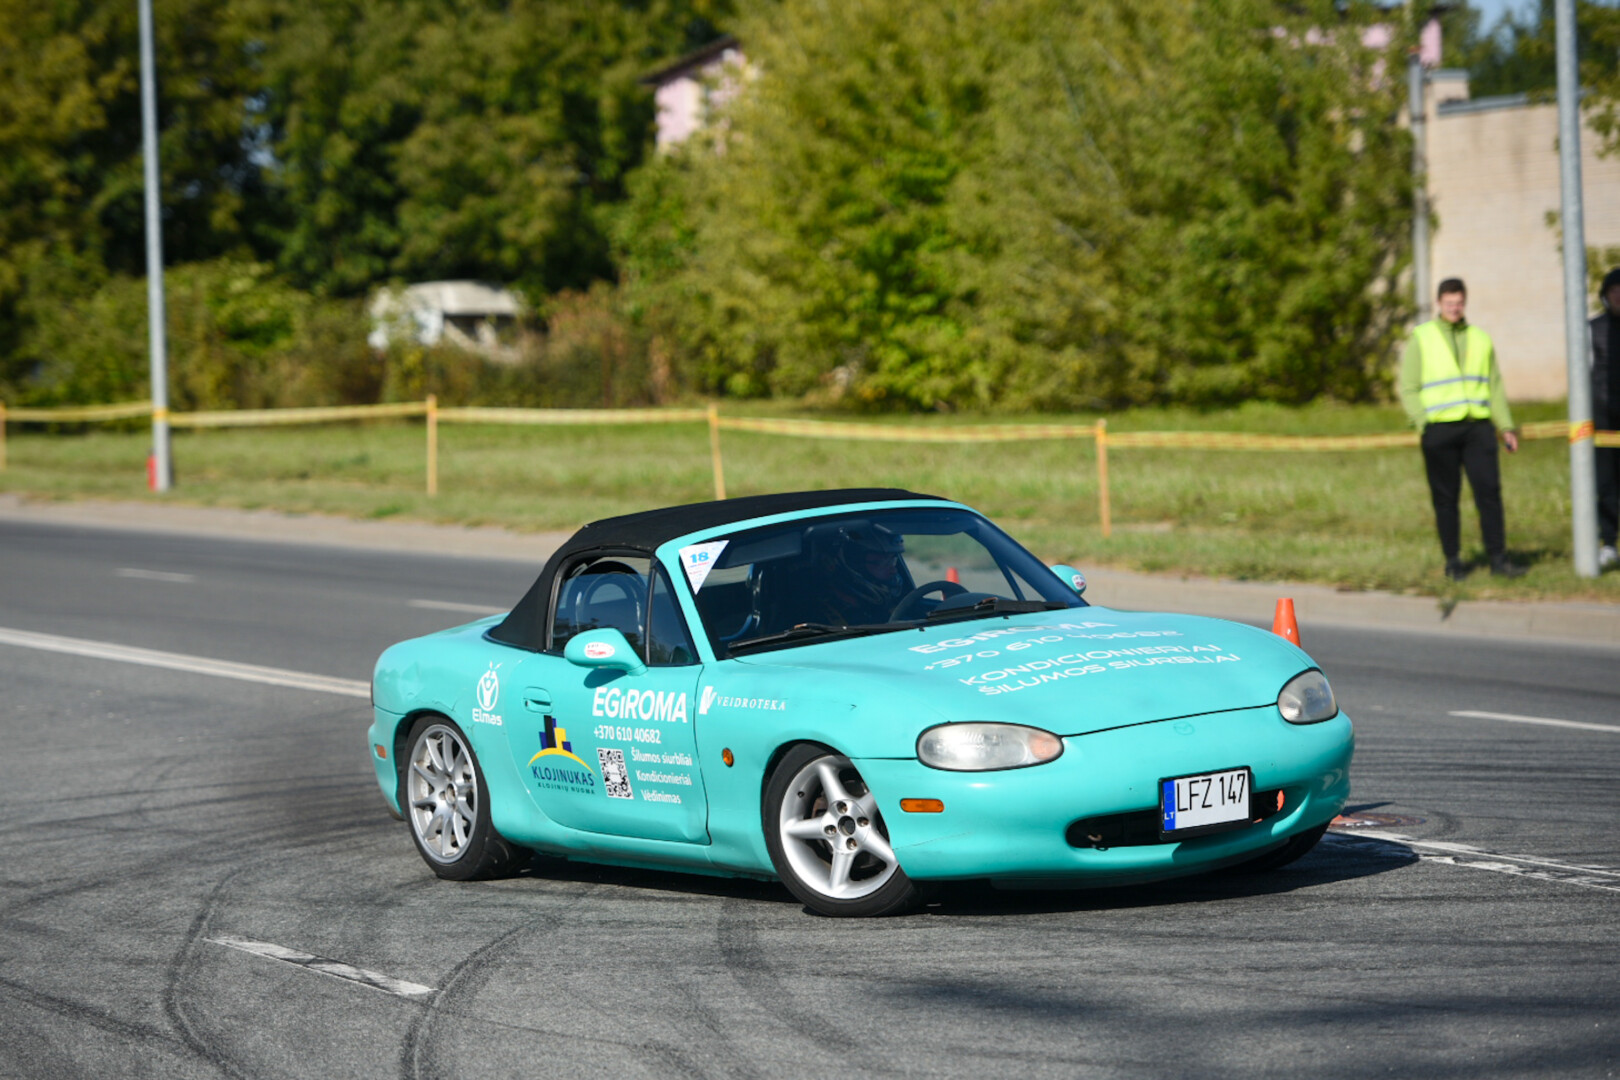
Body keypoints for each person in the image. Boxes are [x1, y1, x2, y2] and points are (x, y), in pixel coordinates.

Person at [1398, 278, 1524, 580]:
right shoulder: (1422, 337)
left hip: (1477, 429)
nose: (1454, 308)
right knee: (1446, 499)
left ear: (1464, 302)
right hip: (1439, 430)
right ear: (1439, 303)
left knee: (1489, 494)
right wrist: (1423, 423)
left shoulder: (1480, 339)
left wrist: (1506, 426)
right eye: (1449, 303)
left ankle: (1498, 559)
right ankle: (1453, 561)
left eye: (1459, 303)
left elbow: (1495, 387)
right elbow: (1408, 386)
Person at [1590, 267, 1620, 570]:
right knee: (1607, 483)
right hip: (1603, 421)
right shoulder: (1592, 330)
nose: (1619, 295)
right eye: (1614, 290)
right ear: (1605, 295)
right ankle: (1608, 542)